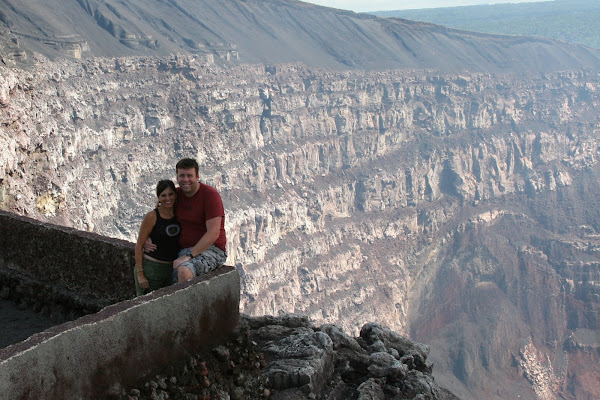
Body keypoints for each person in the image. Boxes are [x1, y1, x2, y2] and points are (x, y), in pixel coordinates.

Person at [145, 158, 227, 283]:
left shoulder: (210, 196)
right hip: (182, 248)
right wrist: (147, 236)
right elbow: (157, 215)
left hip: (211, 249)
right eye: (182, 176)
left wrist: (188, 255)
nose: (186, 180)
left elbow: (213, 233)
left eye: (190, 176)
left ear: (197, 176)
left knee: (183, 270)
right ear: (177, 177)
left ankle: (187, 303)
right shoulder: (175, 195)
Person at [134, 180, 181, 296]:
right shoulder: (152, 216)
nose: (167, 198)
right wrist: (140, 275)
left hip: (170, 270)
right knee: (147, 307)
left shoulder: (179, 214)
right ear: (158, 197)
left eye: (171, 194)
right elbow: (139, 245)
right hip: (151, 269)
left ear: (175, 195)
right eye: (163, 195)